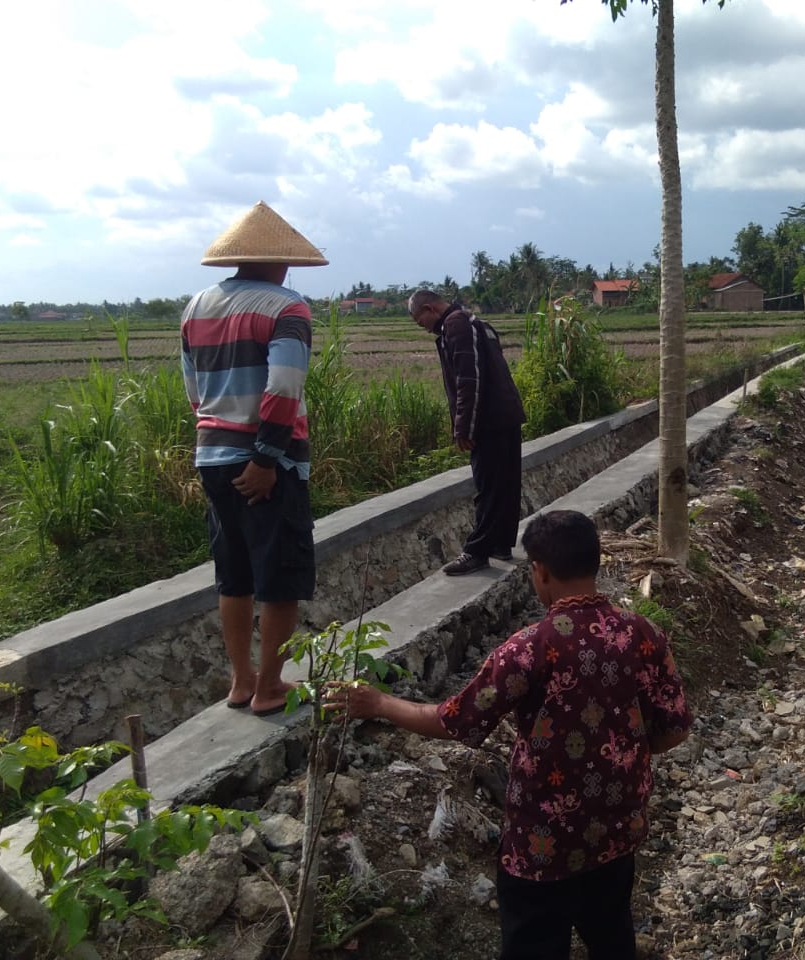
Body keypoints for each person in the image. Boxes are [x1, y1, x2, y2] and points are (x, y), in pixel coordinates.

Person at [324, 509, 692, 960]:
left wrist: (379, 703)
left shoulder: (528, 649)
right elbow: (674, 728)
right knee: (612, 933)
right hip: (617, 829)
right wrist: (626, 755)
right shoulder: (643, 634)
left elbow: (453, 720)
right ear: (594, 562)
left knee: (533, 944)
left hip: (542, 844)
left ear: (539, 571)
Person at [180, 201, 327, 717]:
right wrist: (266, 456)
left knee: (234, 572)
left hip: (212, 454)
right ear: (283, 261)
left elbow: (194, 389)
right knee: (278, 574)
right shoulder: (287, 308)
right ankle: (269, 687)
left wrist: (220, 433)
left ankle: (240, 681)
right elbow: (284, 387)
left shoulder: (196, 307)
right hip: (266, 462)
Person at [408, 288, 526, 575]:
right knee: (505, 485)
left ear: (429, 309)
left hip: (489, 421)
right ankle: (500, 544)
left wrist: (463, 426)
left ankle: (477, 552)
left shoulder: (455, 325)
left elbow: (468, 378)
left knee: (487, 488)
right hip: (505, 415)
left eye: (419, 320)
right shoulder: (475, 322)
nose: (423, 328)